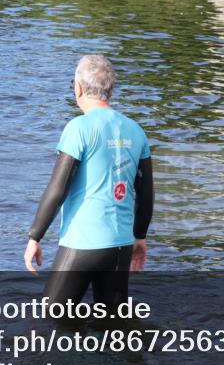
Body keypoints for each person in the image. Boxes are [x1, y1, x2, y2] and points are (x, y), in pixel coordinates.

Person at [23, 55, 154, 311]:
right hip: (120, 245)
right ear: (110, 89)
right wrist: (140, 236)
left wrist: (34, 237)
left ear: (78, 87)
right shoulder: (135, 130)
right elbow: (146, 192)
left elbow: (57, 188)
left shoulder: (78, 128)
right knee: (113, 325)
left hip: (82, 244)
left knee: (51, 319)